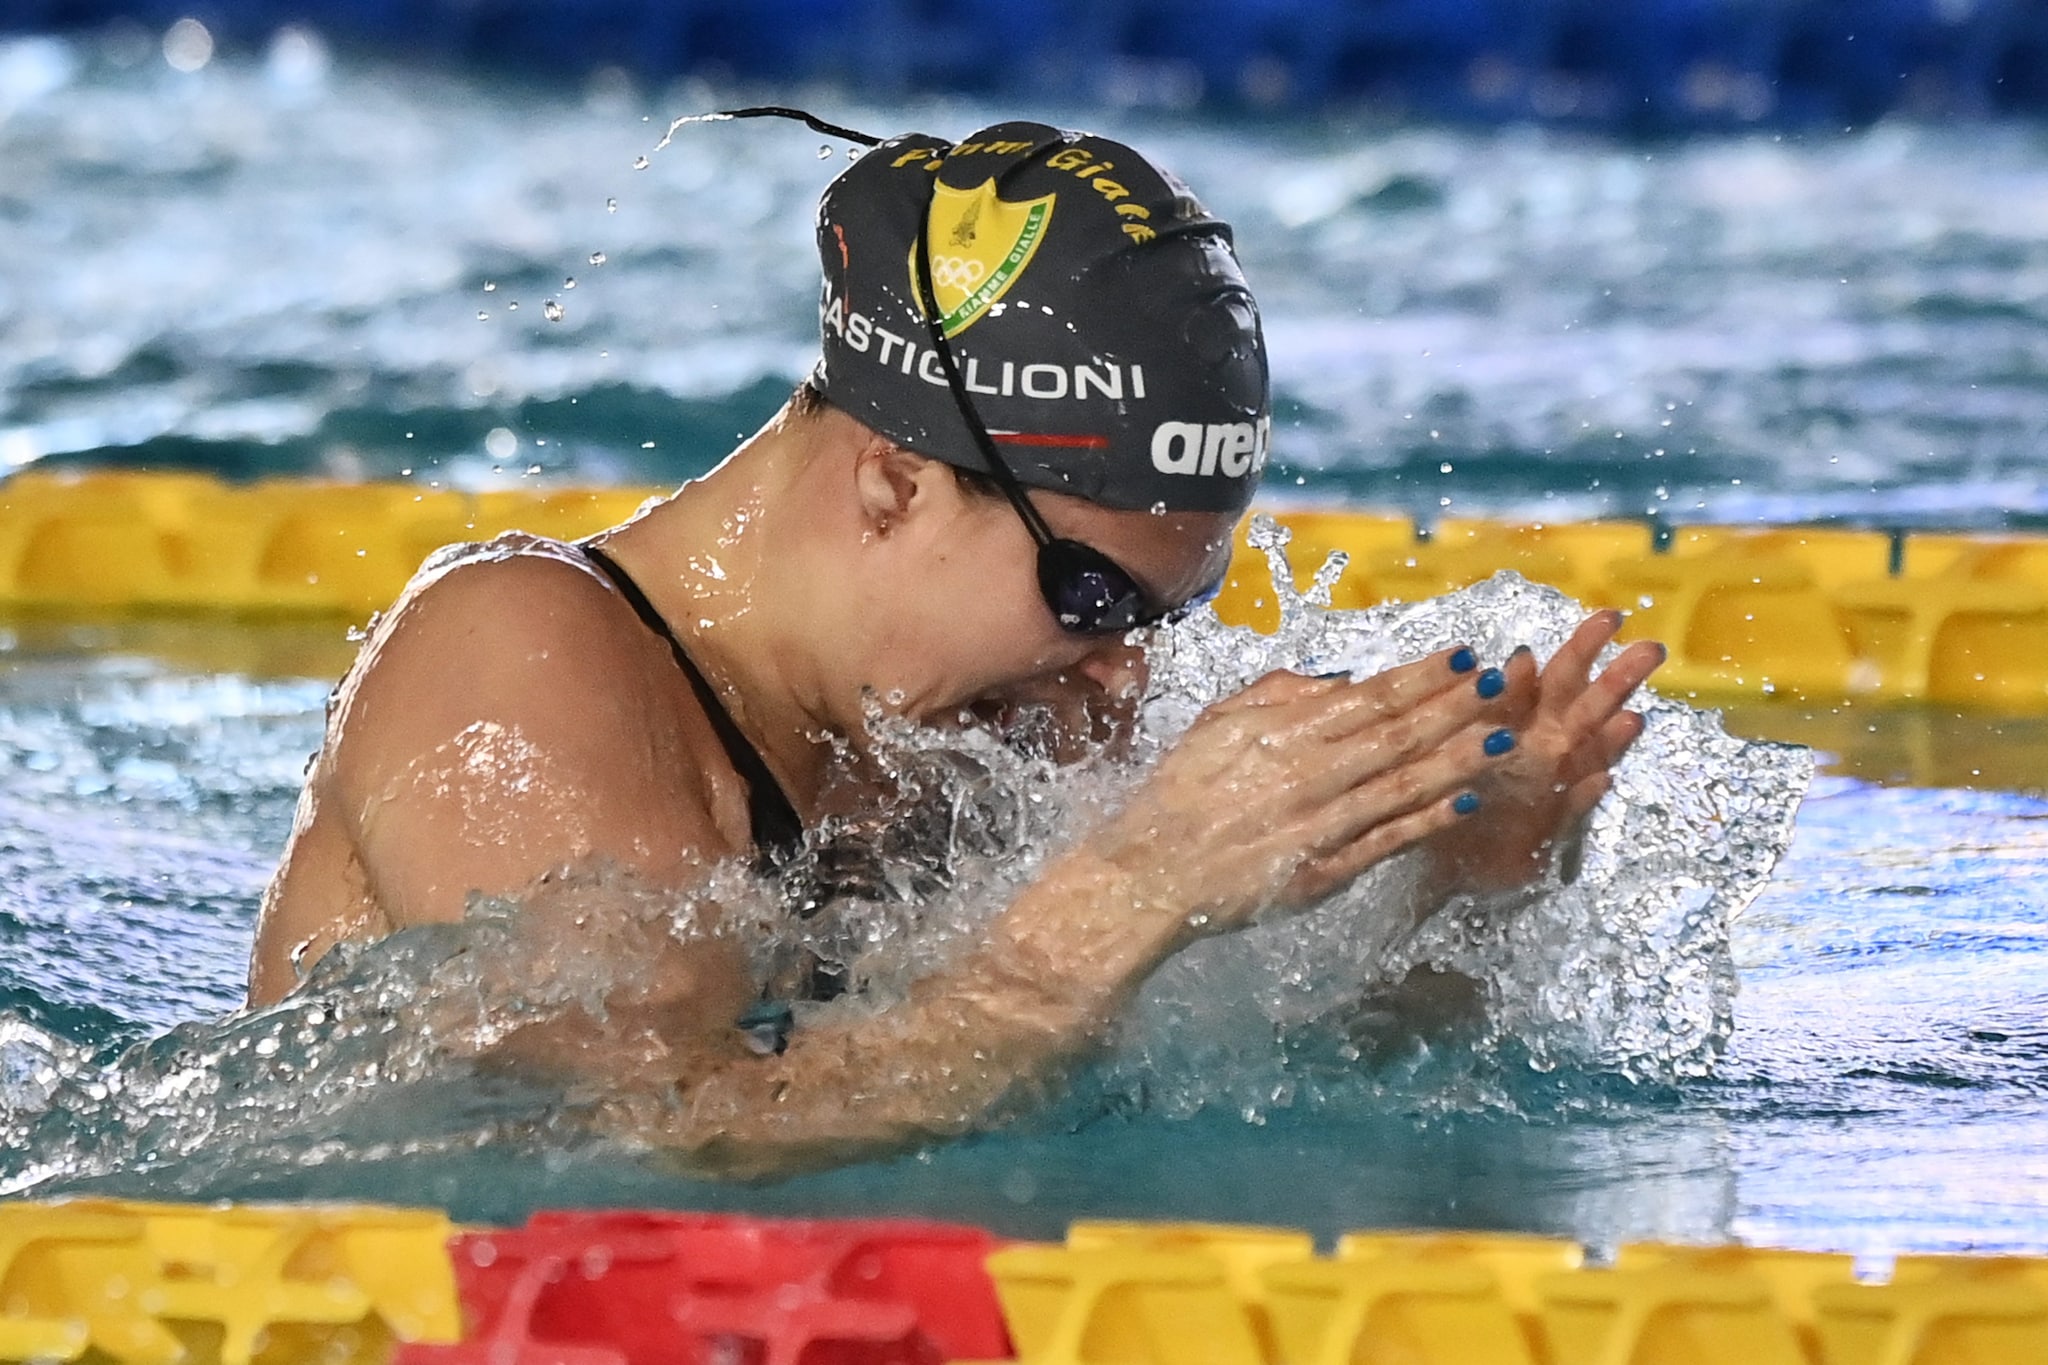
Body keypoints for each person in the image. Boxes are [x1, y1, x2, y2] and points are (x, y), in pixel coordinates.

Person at [249, 119, 1663, 1177]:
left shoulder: (939, 739)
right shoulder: (519, 658)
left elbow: (1237, 1095)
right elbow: (638, 1135)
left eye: (1165, 616)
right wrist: (1131, 884)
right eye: (1093, 596)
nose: (1125, 675)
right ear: (895, 484)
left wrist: (1475, 890)